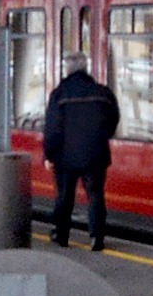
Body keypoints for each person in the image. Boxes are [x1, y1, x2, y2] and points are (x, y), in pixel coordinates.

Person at [41, 55, 121, 250]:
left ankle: (62, 235)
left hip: (65, 156)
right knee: (95, 195)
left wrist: (49, 155)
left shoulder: (59, 95)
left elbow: (52, 128)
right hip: (95, 154)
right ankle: (96, 238)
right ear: (86, 69)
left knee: (64, 196)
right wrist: (102, 137)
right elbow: (114, 119)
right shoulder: (102, 93)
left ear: (68, 70)